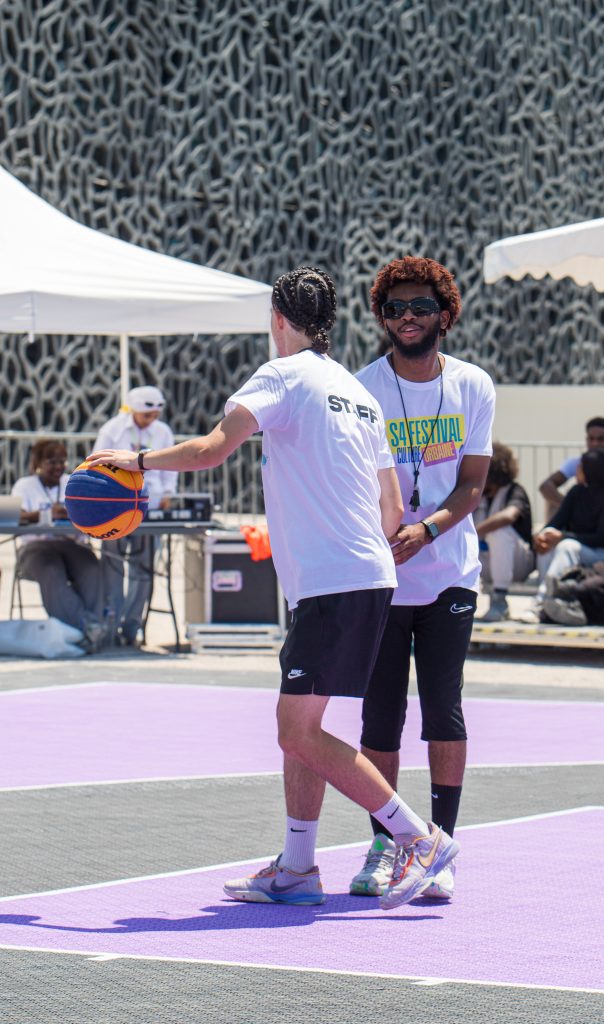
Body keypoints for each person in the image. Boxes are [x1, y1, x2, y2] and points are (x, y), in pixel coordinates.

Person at [87, 266, 459, 910]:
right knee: (303, 723)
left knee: (296, 731)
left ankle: (419, 839)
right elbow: (392, 510)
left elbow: (210, 449)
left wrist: (137, 462)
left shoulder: (281, 375)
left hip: (331, 580)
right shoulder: (358, 393)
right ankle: (297, 867)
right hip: (366, 575)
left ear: (278, 320)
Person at [348, 255, 495, 902]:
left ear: (444, 313)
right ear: (381, 316)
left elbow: (471, 483)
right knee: (379, 720)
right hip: (379, 578)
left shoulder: (472, 386)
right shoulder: (360, 389)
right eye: (394, 308)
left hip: (448, 574)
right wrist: (381, 535)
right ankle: (385, 844)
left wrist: (427, 530)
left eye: (419, 307)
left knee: (443, 708)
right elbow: (349, 482)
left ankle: (439, 845)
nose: (406, 318)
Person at [94, 385, 178, 646]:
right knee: (112, 566)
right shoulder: (112, 430)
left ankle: (131, 626)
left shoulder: (162, 432)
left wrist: (168, 494)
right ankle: (111, 622)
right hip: (115, 509)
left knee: (142, 570)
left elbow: (171, 467)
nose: (151, 420)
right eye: (146, 415)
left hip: (149, 508)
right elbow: (95, 463)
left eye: (154, 415)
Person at [11, 439, 104, 652]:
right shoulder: (24, 486)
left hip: (70, 543)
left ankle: (90, 629)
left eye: (62, 461)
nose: (58, 467)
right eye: (52, 462)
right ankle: (85, 627)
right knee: (51, 570)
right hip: (36, 546)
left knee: (91, 567)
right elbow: (15, 515)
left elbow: (92, 512)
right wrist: (45, 514)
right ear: (38, 462)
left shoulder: (73, 482)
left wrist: (72, 513)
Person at [524, 447, 604, 624]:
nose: (577, 471)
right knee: (547, 547)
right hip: (578, 547)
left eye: (581, 467)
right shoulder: (576, 492)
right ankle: (550, 603)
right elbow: (557, 521)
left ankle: (540, 603)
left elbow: (601, 537)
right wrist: (543, 536)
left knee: (567, 546)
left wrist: (563, 537)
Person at [474, 442, 534, 622]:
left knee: (499, 533)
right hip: (484, 560)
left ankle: (499, 600)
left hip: (518, 562)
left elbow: (509, 516)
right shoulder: (476, 494)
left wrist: (476, 531)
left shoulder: (514, 491)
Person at [539, 417, 604, 513]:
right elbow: (546, 486)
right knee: (552, 502)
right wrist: (568, 506)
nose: (595, 443)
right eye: (591, 438)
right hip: (582, 512)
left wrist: (600, 502)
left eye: (600, 439)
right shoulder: (577, 461)